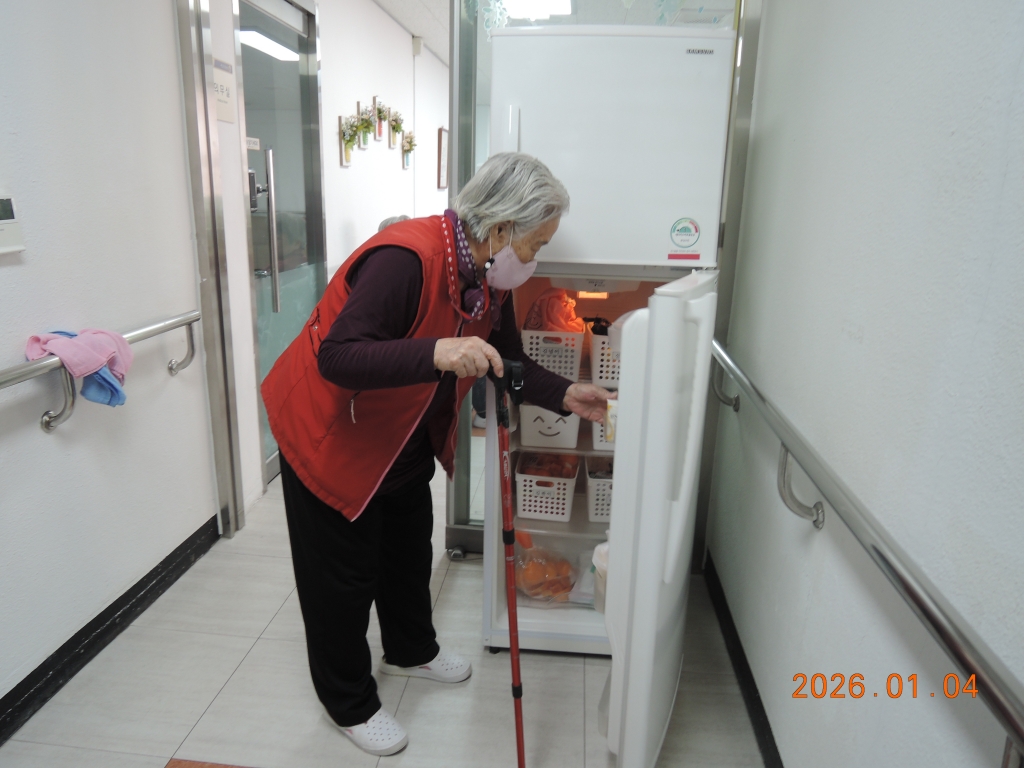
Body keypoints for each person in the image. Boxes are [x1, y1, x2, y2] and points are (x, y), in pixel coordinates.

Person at [260, 152, 612, 756]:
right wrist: (436, 352)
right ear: (501, 228)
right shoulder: (405, 260)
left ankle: (410, 649)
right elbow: (338, 356)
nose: (535, 258)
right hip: (331, 434)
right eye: (535, 243)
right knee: (342, 577)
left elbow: (508, 362)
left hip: (398, 435)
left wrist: (565, 395)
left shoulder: (489, 279)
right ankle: (348, 701)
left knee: (405, 549)